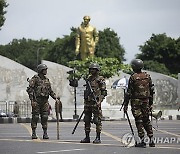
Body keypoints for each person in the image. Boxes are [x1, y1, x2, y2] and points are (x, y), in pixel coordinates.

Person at [123, 59, 155, 148]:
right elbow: (152, 90)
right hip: (146, 101)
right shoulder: (147, 76)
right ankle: (151, 139)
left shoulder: (133, 77)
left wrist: (125, 105)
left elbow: (129, 92)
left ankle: (142, 141)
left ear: (134, 67)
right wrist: (151, 103)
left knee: (139, 121)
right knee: (146, 120)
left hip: (136, 102)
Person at [26, 64, 60, 139]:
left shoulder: (46, 80)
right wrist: (32, 100)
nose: (46, 71)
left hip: (45, 101)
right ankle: (34, 132)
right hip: (37, 101)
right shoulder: (35, 79)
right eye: (45, 70)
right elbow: (30, 90)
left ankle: (45, 133)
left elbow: (50, 91)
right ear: (41, 70)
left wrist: (55, 98)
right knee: (35, 117)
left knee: (45, 117)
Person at [80, 63, 107, 144]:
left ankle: (98, 137)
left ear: (97, 70)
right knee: (87, 120)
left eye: (93, 69)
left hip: (96, 102)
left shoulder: (100, 79)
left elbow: (104, 92)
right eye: (91, 69)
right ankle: (87, 137)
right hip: (88, 103)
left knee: (97, 120)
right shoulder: (89, 79)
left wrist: (100, 101)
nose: (92, 70)